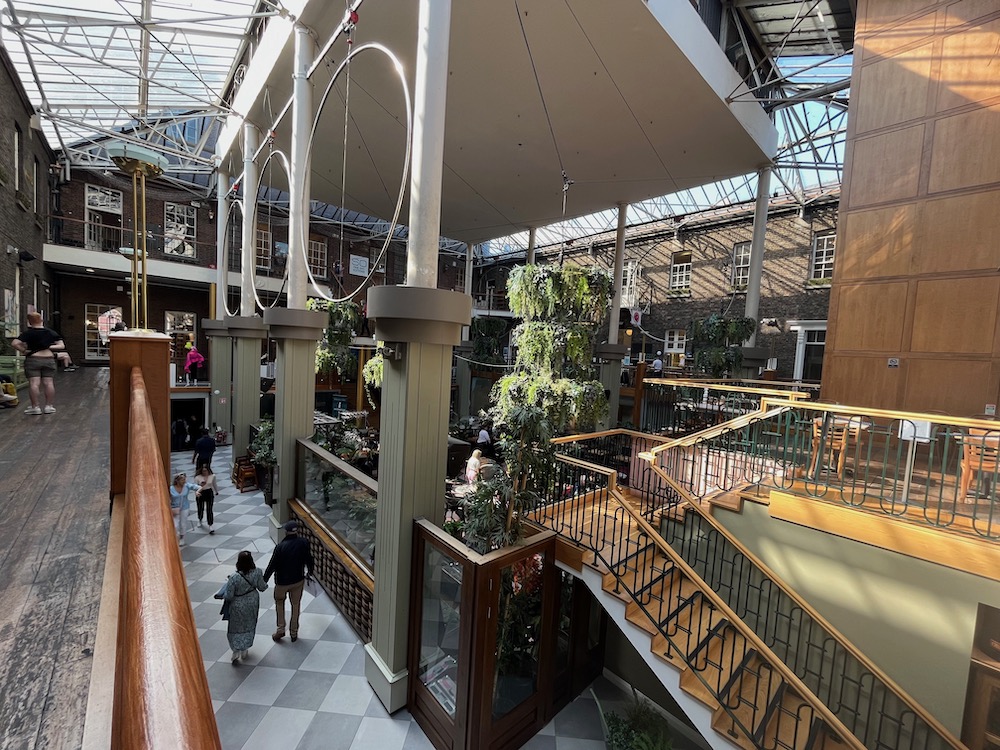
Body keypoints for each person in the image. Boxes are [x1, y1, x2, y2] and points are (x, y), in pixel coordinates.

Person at [263, 520, 314, 643]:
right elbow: (309, 559)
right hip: (298, 580)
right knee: (296, 605)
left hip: (282, 582)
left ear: (286, 532)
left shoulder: (280, 547)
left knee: (280, 603)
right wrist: (310, 572)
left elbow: (272, 565)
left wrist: (264, 580)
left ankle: (280, 629)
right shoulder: (304, 543)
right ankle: (294, 632)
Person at [11, 312, 64, 415]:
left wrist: (23, 350)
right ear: (41, 320)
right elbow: (61, 346)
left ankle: (35, 407)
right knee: (48, 382)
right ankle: (49, 406)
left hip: (33, 359)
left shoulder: (28, 333)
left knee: (34, 383)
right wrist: (47, 346)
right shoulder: (51, 332)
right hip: (49, 359)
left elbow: (14, 343)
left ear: (29, 322)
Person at [222, 551, 268, 664]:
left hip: (237, 605)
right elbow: (262, 587)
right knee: (249, 624)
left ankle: (235, 651)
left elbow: (229, 596)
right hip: (252, 602)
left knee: (236, 627)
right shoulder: (257, 572)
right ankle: (245, 649)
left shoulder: (234, 577)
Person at [168, 472, 200, 546]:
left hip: (184, 507)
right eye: (182, 480)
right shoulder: (171, 488)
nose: (184, 481)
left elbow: (198, 487)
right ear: (177, 481)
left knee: (183, 523)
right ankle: (176, 536)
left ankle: (182, 538)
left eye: (184, 480)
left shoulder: (187, 486)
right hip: (174, 508)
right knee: (175, 525)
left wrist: (197, 492)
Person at [194, 463, 218, 534]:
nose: (204, 472)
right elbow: (195, 487)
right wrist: (199, 487)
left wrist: (216, 491)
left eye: (206, 470)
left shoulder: (212, 476)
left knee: (209, 509)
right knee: (200, 507)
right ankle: (200, 519)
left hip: (209, 492)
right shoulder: (198, 477)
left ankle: (210, 524)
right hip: (201, 492)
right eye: (203, 471)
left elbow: (214, 484)